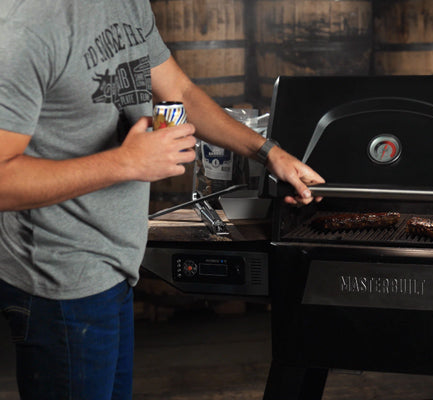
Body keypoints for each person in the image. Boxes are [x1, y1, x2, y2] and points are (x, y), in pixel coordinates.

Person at [0, 1, 324, 399]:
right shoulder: (27, 23)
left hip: (113, 262)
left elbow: (180, 90)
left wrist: (269, 153)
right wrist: (126, 162)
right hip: (59, 277)